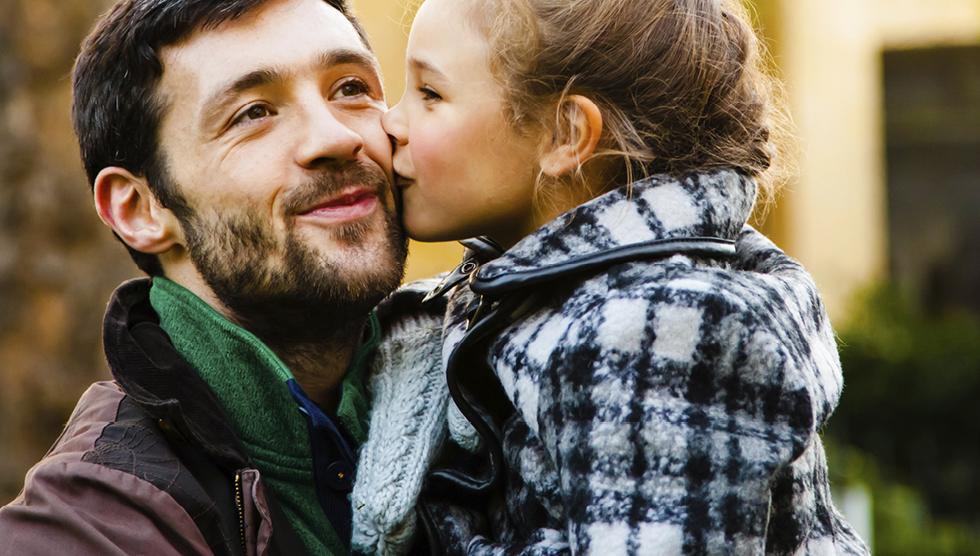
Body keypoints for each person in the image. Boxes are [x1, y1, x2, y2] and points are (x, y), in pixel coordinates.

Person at [348, 0, 871, 553]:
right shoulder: (544, 289)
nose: (391, 121)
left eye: (430, 94)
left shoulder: (663, 327)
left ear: (565, 135)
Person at [0, 0, 409, 554]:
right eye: (253, 113)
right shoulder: (83, 527)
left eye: (350, 88)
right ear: (139, 209)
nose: (335, 137)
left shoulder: (492, 393)